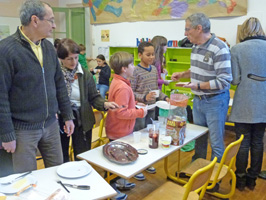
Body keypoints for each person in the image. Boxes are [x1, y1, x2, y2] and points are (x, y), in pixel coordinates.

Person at [0, 0, 75, 173]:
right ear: (35, 20)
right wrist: (6, 134)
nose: (54, 25)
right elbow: (1, 96)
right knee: (26, 180)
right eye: (51, 20)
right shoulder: (6, 50)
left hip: (50, 125)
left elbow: (59, 85)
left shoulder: (48, 47)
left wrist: (68, 115)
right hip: (22, 130)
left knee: (57, 173)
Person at [171, 13, 232, 163]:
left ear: (199, 28)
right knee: (199, 138)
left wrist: (197, 85)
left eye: (187, 29)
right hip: (198, 100)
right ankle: (197, 170)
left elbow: (224, 81)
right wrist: (183, 74)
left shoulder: (219, 48)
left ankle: (214, 179)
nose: (185, 33)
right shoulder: (196, 46)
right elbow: (198, 69)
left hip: (215, 101)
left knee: (216, 142)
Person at [57, 38, 118, 162]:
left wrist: (104, 103)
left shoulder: (85, 74)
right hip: (61, 116)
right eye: (69, 59)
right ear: (61, 59)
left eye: (75, 57)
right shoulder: (56, 74)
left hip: (82, 116)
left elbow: (93, 97)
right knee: (61, 153)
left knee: (82, 153)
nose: (73, 62)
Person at [229, 17, 266, 191]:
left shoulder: (236, 49)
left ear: (243, 31)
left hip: (244, 101)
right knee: (258, 142)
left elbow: (235, 80)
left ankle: (240, 179)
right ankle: (252, 179)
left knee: (242, 142)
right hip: (264, 102)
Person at [106, 51, 148, 200]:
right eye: (131, 64)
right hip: (119, 130)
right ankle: (111, 189)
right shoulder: (123, 87)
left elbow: (122, 104)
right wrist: (140, 112)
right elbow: (121, 113)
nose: (134, 67)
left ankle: (121, 183)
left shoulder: (119, 82)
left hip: (119, 129)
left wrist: (135, 104)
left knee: (120, 159)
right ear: (124, 68)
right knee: (116, 162)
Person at [131, 41, 169, 180]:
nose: (151, 57)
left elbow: (156, 89)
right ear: (140, 55)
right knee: (138, 138)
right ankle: (136, 166)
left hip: (152, 109)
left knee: (149, 137)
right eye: (148, 54)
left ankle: (146, 163)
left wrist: (165, 98)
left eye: (153, 54)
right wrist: (144, 97)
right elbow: (131, 92)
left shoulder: (153, 69)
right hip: (140, 110)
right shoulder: (135, 71)